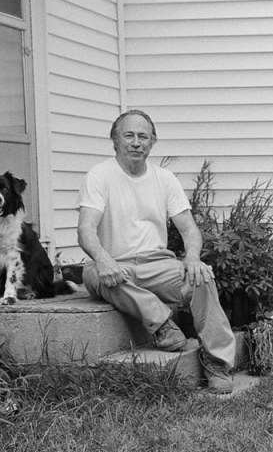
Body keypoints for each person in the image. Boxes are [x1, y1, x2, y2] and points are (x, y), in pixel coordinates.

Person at [77, 109, 236, 394]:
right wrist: (102, 259)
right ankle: (163, 323)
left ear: (152, 142)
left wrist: (192, 258)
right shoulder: (99, 175)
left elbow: (189, 229)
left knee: (201, 278)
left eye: (143, 136)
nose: (136, 142)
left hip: (157, 265)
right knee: (101, 275)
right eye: (129, 135)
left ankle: (217, 363)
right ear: (115, 140)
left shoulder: (165, 179)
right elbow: (86, 229)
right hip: (113, 263)